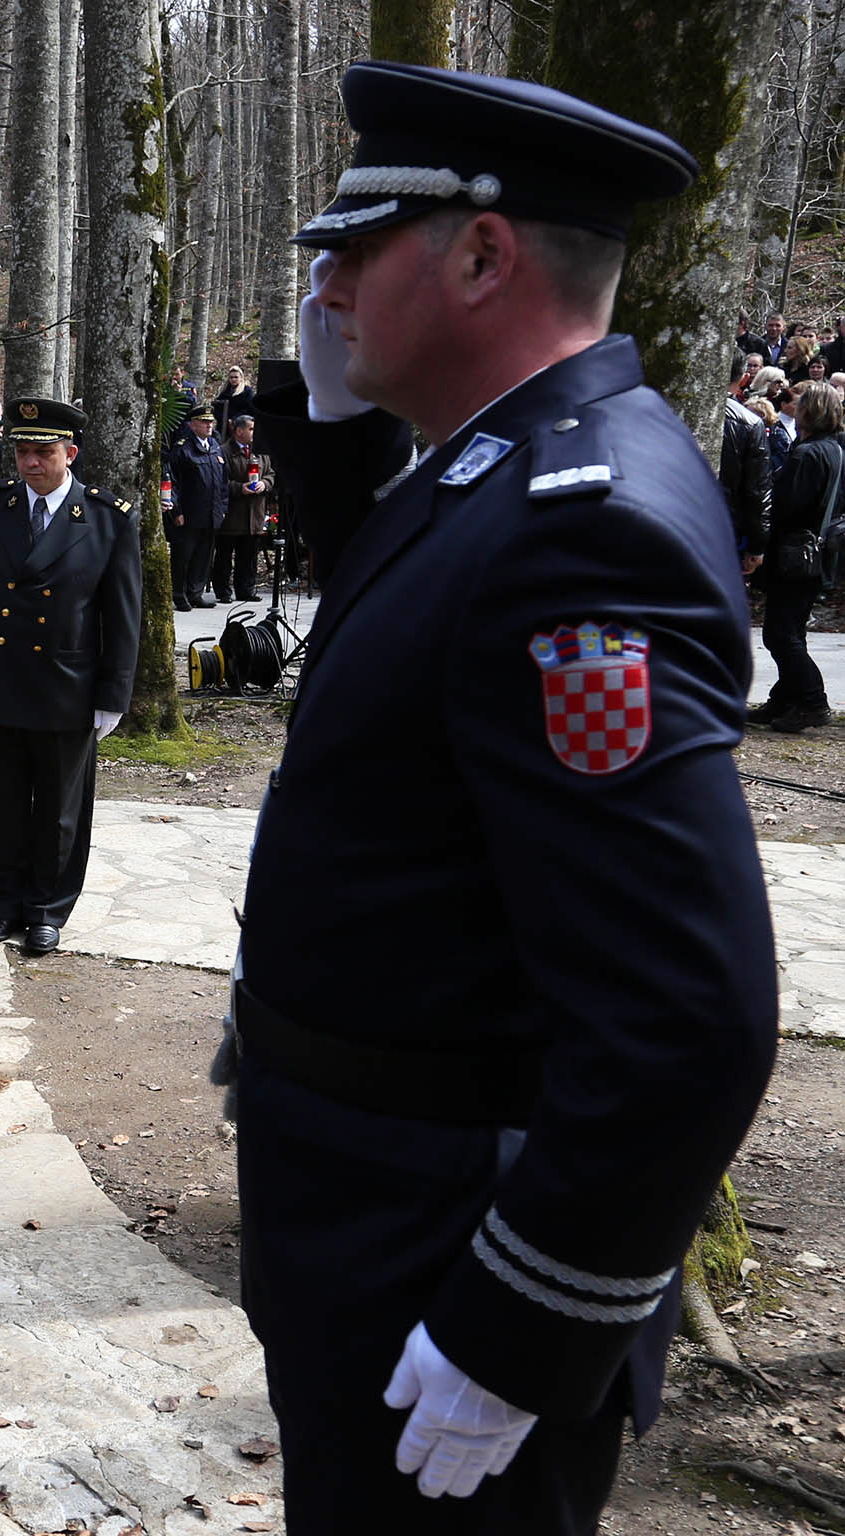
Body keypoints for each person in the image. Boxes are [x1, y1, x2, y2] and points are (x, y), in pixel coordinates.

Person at [241, 61, 777, 1533]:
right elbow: (399, 590)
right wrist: (328, 385)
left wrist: (522, 1322)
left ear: (481, 254)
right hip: (368, 1211)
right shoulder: (493, 468)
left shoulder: (577, 530)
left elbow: (684, 1014)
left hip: (444, 1248)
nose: (328, 285)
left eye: (355, 252)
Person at [0, 397, 141, 956]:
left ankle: (46, 907)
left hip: (66, 682)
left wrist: (113, 694)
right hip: (0, 679)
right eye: (22, 452)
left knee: (60, 807)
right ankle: (0, 899)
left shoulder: (106, 519)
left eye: (43, 453)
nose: (30, 463)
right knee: (1, 799)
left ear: (71, 454)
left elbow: (122, 615)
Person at [752, 380, 844, 733]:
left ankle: (811, 700)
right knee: (791, 631)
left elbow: (785, 507)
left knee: (779, 634)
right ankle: (785, 697)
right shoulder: (833, 449)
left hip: (794, 555)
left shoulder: (807, 454)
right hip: (815, 553)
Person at [165, 405, 228, 609]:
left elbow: (223, 482)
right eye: (204, 422)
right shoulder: (183, 448)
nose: (209, 425)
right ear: (193, 425)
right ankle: (179, 593)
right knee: (183, 556)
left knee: (203, 556)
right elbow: (172, 482)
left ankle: (195, 592)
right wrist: (176, 511)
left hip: (211, 513)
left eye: (210, 422)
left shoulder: (215, 446)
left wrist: (223, 507)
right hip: (189, 514)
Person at [720, 379, 773, 579]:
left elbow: (758, 489)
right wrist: (757, 545)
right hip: (722, 528)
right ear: (743, 377)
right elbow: (758, 490)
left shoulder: (749, 422)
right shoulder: (749, 422)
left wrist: (757, 543)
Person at [215, 415, 271, 603]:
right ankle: (222, 591)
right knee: (224, 555)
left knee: (248, 556)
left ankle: (246, 589)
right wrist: (240, 488)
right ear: (239, 431)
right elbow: (220, 482)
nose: (254, 433)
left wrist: (265, 483)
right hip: (233, 514)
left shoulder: (261, 451)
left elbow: (271, 473)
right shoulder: (223, 452)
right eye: (251, 429)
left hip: (254, 513)